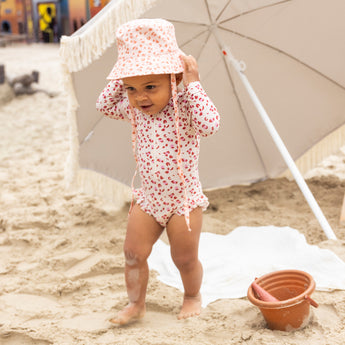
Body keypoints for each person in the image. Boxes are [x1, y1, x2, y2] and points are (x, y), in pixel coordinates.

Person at [96, 18, 220, 325]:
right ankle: (136, 304)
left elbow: (210, 125)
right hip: (149, 199)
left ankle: (192, 296)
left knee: (184, 258)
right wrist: (122, 76)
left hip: (182, 201)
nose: (140, 97)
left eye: (150, 87)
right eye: (131, 89)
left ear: (172, 78)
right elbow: (103, 105)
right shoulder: (134, 109)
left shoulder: (186, 106)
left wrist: (192, 83)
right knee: (132, 253)